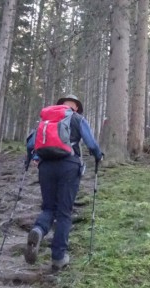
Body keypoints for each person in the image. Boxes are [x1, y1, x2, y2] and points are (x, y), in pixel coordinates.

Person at [24, 94, 103, 271]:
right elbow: (91, 143)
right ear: (75, 107)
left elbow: (30, 144)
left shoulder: (46, 120)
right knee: (64, 212)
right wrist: (98, 156)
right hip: (69, 166)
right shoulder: (77, 118)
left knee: (48, 207)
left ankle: (39, 229)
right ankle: (58, 257)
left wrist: (31, 159)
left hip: (46, 167)